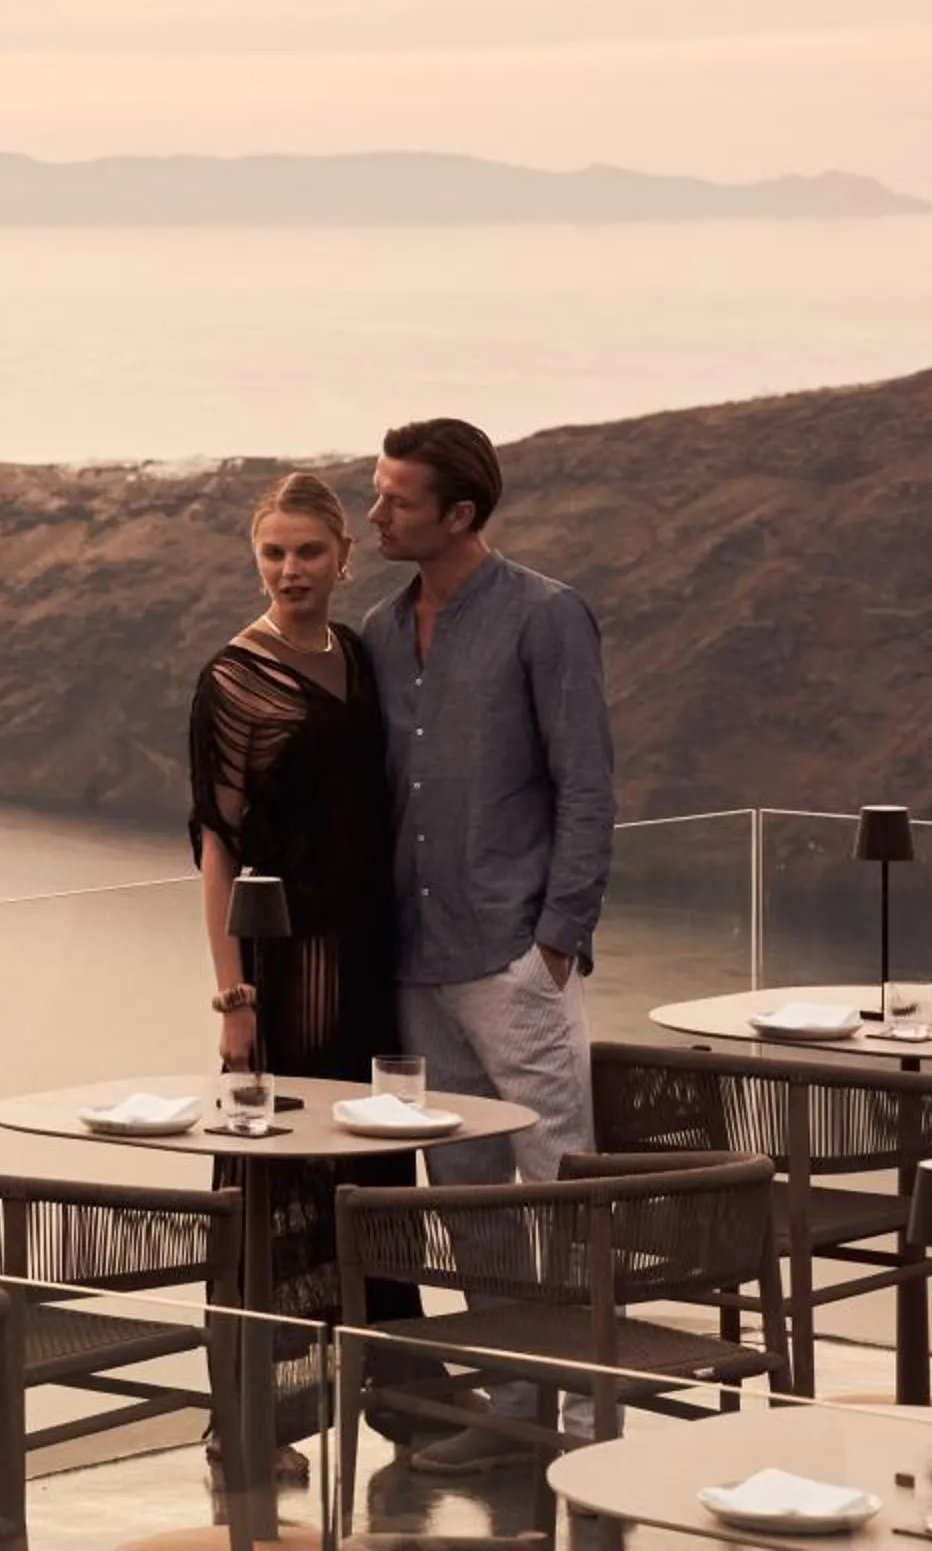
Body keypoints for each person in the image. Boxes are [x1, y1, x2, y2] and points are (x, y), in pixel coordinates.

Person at [360, 417, 615, 1473]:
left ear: (459, 512)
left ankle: (593, 1428)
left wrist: (556, 940)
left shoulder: (546, 615)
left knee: (560, 1189)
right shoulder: (379, 630)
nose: (375, 513)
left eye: (396, 498)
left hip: (513, 955)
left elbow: (587, 784)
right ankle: (516, 1411)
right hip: (415, 960)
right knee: (467, 1196)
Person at [189, 471, 422, 1474]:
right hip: (286, 963)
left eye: (309, 551)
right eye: (274, 553)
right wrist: (234, 997)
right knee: (279, 1179)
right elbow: (217, 844)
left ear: (343, 556)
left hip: (368, 953)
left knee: (376, 1166)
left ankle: (397, 1391)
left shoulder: (359, 656)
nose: (291, 570)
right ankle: (246, 1420)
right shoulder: (234, 676)